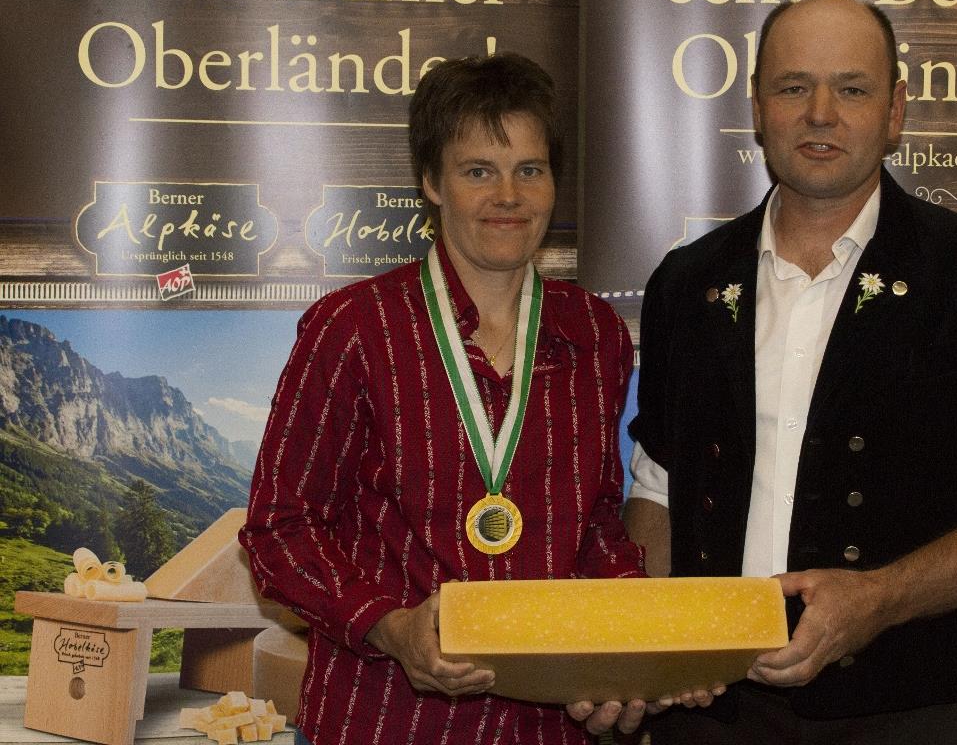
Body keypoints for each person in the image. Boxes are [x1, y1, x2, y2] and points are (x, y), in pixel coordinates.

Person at [624, 0, 957, 744]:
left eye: (852, 87)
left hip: (910, 714)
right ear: (757, 107)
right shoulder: (687, 283)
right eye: (792, 86)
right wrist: (644, 658)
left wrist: (882, 597)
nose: (819, 113)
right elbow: (655, 488)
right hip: (708, 717)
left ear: (896, 110)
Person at [239, 53, 652, 745]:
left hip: (545, 729)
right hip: (384, 720)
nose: (509, 196)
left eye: (531, 169)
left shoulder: (595, 332)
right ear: (431, 181)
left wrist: (632, 643)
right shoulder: (354, 327)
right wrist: (390, 625)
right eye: (478, 171)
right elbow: (280, 529)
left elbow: (597, 527)